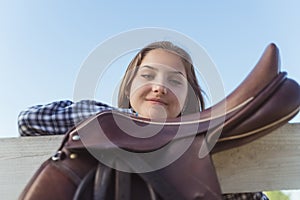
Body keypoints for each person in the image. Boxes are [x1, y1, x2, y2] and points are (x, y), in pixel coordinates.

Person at [18, 41, 268, 200]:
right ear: (128, 88)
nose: (159, 86)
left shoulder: (204, 141)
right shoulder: (103, 119)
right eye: (147, 75)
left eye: (175, 80)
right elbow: (29, 121)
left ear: (188, 97)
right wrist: (128, 124)